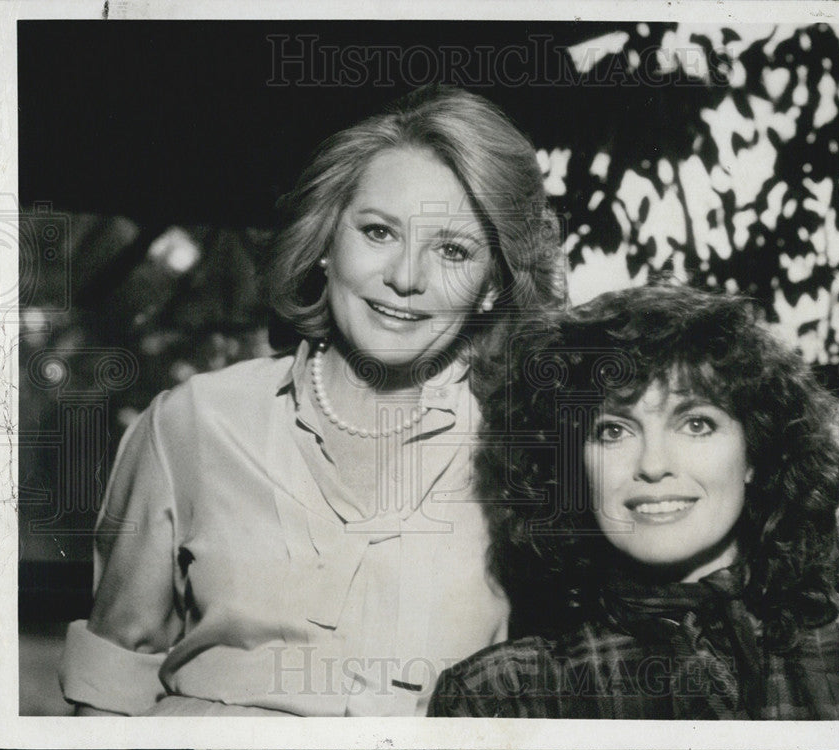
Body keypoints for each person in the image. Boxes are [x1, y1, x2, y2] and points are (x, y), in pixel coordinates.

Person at [60, 85, 565, 716]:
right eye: (379, 231)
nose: (406, 277)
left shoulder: (527, 458)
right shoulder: (193, 423)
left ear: (492, 285)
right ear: (327, 242)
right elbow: (109, 691)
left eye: (453, 250)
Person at [429, 283, 839, 720]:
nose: (653, 464)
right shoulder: (505, 698)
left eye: (696, 423)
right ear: (571, 469)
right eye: (613, 430)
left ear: (756, 452)